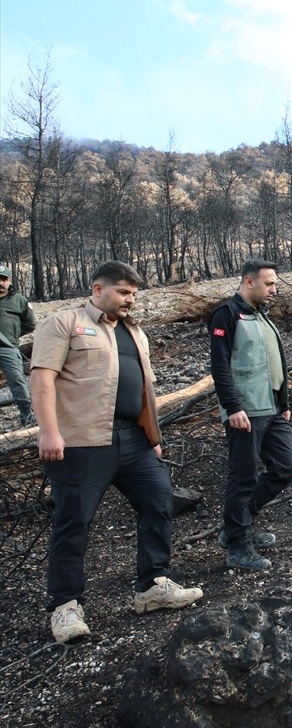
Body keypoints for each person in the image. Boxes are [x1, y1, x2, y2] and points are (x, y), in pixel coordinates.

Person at [31, 261, 203, 644]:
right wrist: (49, 432)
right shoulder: (62, 323)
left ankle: (152, 587)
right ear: (97, 289)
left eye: (134, 294)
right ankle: (65, 606)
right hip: (82, 442)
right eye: (123, 293)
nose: (130, 300)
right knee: (74, 521)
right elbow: (42, 378)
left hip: (135, 441)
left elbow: (144, 389)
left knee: (159, 502)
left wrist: (153, 435)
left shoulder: (134, 331)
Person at [209, 259, 292, 572]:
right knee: (243, 476)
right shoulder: (228, 314)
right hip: (245, 410)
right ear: (248, 282)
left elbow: (276, 361)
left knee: (285, 468)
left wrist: (283, 401)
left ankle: (238, 525)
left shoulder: (261, 315)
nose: (275, 289)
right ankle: (237, 545)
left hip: (271, 407)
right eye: (269, 283)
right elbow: (219, 366)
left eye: (275, 283)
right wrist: (232, 407)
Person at [0, 264, 37, 427]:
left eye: (4, 279)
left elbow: (29, 324)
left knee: (17, 379)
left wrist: (12, 336)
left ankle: (26, 414)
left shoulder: (19, 300)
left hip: (8, 347)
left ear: (9, 280)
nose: (0, 283)